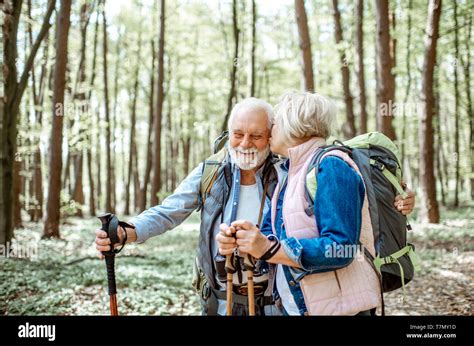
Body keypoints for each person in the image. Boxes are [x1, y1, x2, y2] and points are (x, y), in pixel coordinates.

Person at [95, 96, 415, 316]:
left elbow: (340, 212)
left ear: (272, 134)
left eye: (256, 136)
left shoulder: (292, 170)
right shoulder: (212, 172)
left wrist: (396, 199)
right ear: (227, 134)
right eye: (237, 134)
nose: (245, 143)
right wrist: (129, 232)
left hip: (280, 301)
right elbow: (168, 210)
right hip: (223, 299)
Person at [217, 91, 411, 315]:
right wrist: (243, 240)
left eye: (276, 124)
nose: (270, 132)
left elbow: (341, 248)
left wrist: (269, 248)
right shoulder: (289, 172)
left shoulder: (331, 166)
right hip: (299, 307)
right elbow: (272, 236)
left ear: (293, 125)